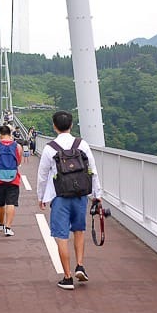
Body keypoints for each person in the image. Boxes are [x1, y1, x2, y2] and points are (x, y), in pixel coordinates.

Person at [37, 110, 103, 290]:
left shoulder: (50, 148)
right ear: (71, 125)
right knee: (79, 231)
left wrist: (41, 196)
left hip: (60, 197)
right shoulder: (82, 144)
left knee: (61, 236)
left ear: (54, 126)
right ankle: (80, 265)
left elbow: (43, 175)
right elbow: (92, 170)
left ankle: (67, 278)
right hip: (81, 195)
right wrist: (97, 195)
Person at [0, 125, 23, 237]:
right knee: (11, 203)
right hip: (13, 179)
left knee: (0, 204)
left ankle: (1, 224)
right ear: (10, 133)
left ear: (0, 134)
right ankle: (8, 228)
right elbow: (18, 162)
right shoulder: (17, 146)